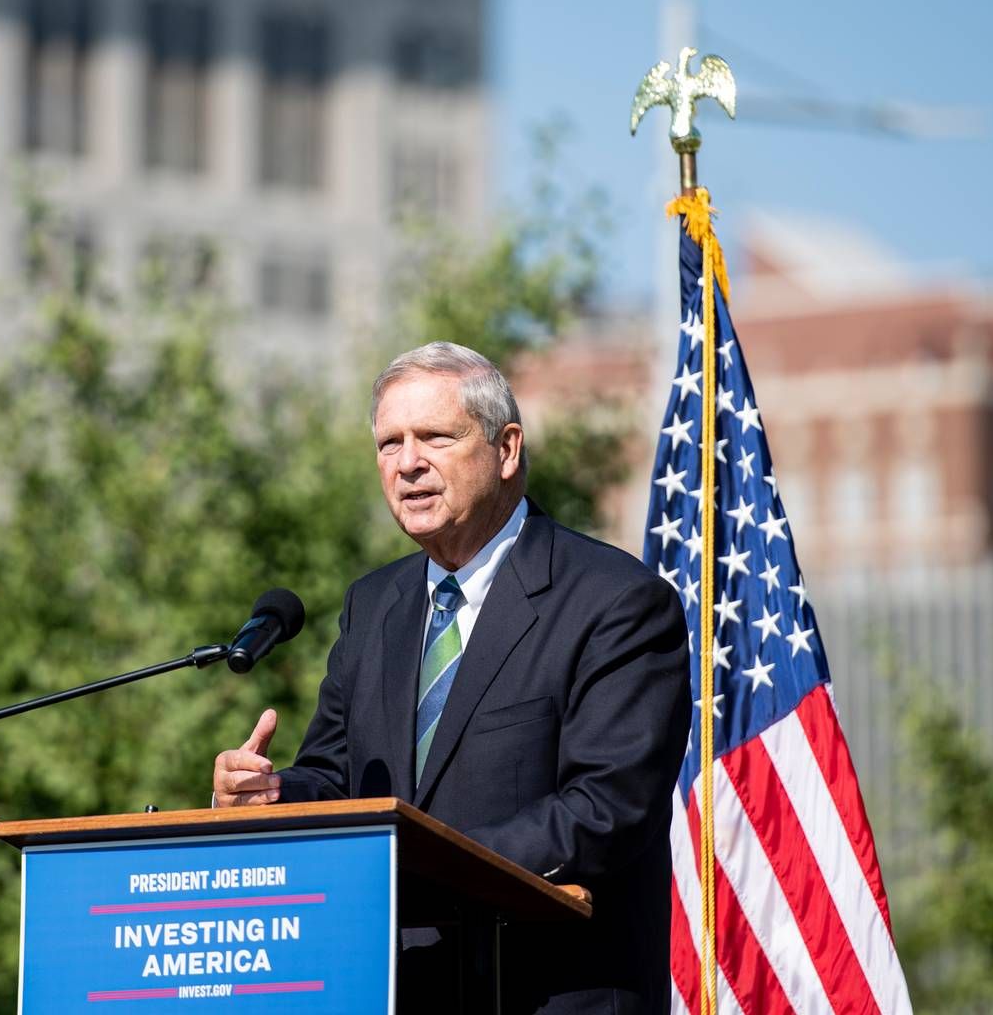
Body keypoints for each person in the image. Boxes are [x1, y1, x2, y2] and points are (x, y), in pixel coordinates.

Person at [212, 342, 690, 1013]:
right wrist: (273, 797)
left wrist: (417, 865)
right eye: (389, 444)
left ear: (507, 448)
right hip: (394, 992)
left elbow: (607, 810)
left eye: (435, 437)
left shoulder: (615, 602)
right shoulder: (375, 606)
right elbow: (337, 778)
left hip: (547, 993)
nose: (408, 463)